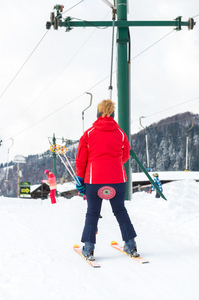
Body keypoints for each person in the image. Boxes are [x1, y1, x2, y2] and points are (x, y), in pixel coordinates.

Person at [75, 99, 139, 261]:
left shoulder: (89, 134)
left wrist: (80, 179)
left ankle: (89, 248)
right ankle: (131, 245)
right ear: (113, 114)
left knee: (93, 212)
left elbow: (81, 159)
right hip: (117, 179)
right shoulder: (120, 133)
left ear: (97, 113)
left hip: (94, 179)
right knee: (120, 210)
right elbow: (125, 156)